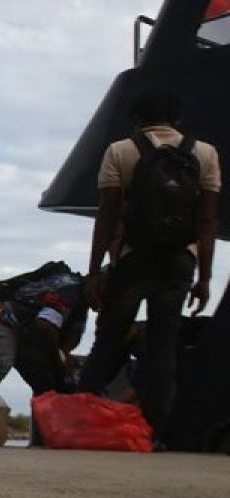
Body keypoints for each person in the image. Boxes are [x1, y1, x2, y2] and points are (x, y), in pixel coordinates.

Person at [78, 88, 220, 438]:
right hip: (179, 262)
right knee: (162, 345)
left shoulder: (121, 151)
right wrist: (205, 277)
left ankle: (78, 420)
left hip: (133, 259)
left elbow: (107, 217)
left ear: (138, 120)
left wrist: (95, 271)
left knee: (108, 341)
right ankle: (155, 433)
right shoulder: (204, 153)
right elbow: (207, 223)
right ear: (178, 120)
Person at [0, 264, 89, 400]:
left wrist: (62, 361)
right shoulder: (69, 291)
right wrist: (59, 359)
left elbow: (70, 338)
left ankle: (47, 414)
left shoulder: (82, 305)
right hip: (3, 322)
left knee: (48, 383)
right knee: (2, 362)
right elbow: (45, 324)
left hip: (28, 337)